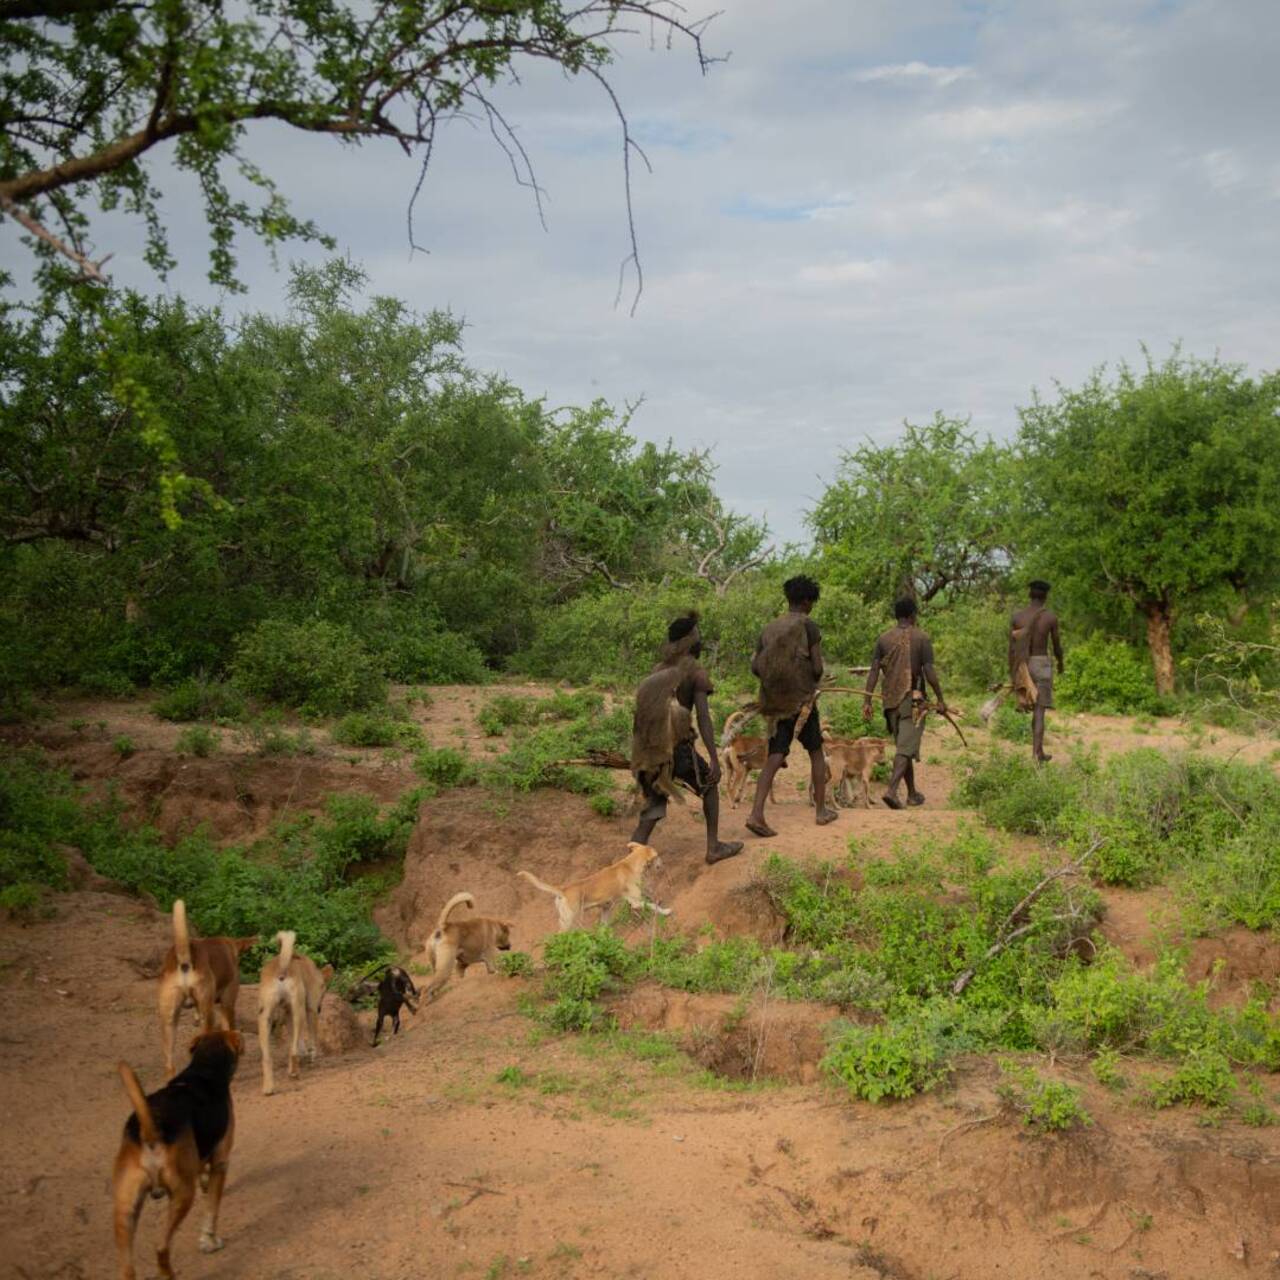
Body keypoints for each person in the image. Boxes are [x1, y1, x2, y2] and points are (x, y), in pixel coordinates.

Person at [630, 613, 744, 866]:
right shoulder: (695, 672)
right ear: (688, 641)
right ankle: (713, 847)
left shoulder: (658, 670)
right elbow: (703, 717)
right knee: (710, 786)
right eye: (697, 634)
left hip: (650, 750)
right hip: (677, 750)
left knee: (654, 803)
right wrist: (714, 758)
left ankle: (631, 861)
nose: (699, 638)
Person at [745, 575, 836, 837]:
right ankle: (821, 811)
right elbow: (817, 668)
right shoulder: (809, 626)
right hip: (802, 701)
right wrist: (809, 678)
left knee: (776, 754)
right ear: (807, 601)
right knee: (816, 751)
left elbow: (755, 666)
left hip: (774, 703)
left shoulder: (769, 629)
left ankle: (756, 814)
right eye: (812, 602)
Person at [863, 597, 947, 810]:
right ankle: (892, 791)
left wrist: (867, 700)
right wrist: (940, 699)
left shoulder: (883, 639)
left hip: (889, 701)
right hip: (912, 701)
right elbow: (928, 671)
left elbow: (874, 671)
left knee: (904, 746)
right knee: (905, 748)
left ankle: (911, 793)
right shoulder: (922, 638)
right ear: (912, 616)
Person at [1009, 580, 1064, 764]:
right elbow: (1056, 645)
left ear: (1029, 595)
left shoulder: (1017, 617)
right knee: (1039, 712)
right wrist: (1060, 663)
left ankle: (1039, 752)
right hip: (1041, 663)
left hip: (1023, 666)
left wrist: (1013, 673)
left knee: (1033, 710)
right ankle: (1036, 754)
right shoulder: (1050, 617)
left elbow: (1012, 648)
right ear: (1045, 596)